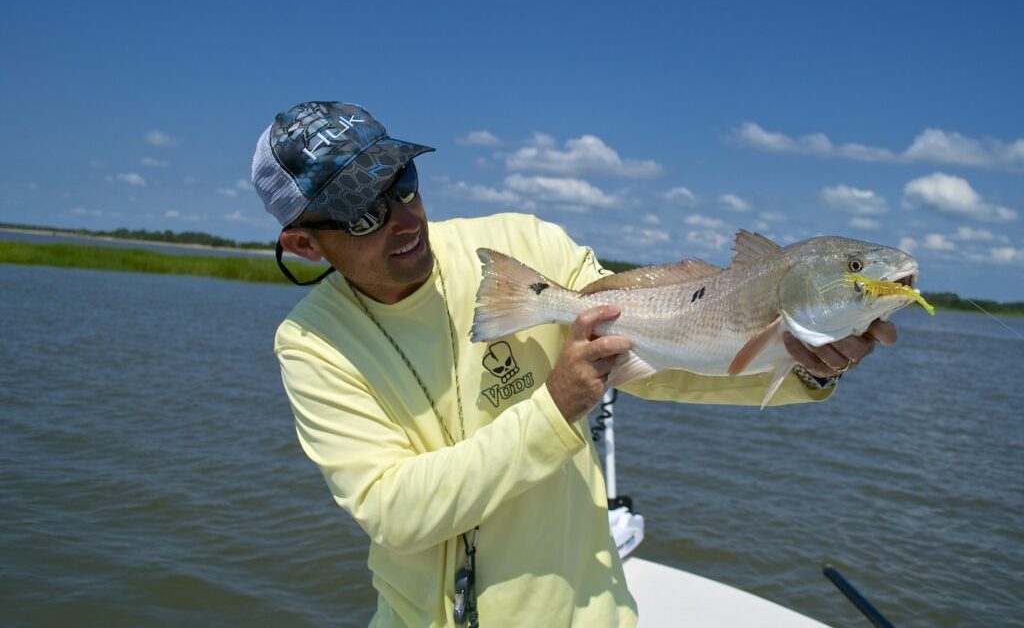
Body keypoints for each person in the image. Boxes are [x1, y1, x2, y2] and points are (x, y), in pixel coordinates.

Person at [251, 101, 897, 628]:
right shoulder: (312, 343)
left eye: (404, 184)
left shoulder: (520, 244)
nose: (406, 219)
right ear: (305, 243)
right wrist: (555, 406)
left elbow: (669, 353)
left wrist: (805, 364)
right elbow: (393, 508)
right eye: (367, 213)